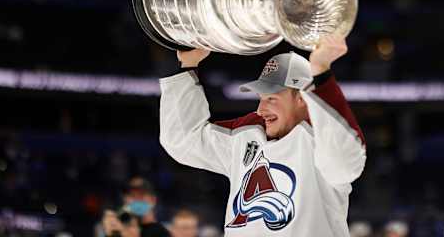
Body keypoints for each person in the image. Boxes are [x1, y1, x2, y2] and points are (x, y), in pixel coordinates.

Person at [159, 35, 366, 236]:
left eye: (271, 98)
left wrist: (322, 74)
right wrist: (187, 64)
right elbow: (183, 140)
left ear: (303, 98)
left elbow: (346, 162)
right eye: (260, 97)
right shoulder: (247, 133)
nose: (261, 109)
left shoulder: (322, 139)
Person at [102, 176, 170, 237]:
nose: (135, 201)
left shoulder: (161, 233)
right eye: (131, 196)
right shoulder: (120, 227)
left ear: (153, 200)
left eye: (140, 195)